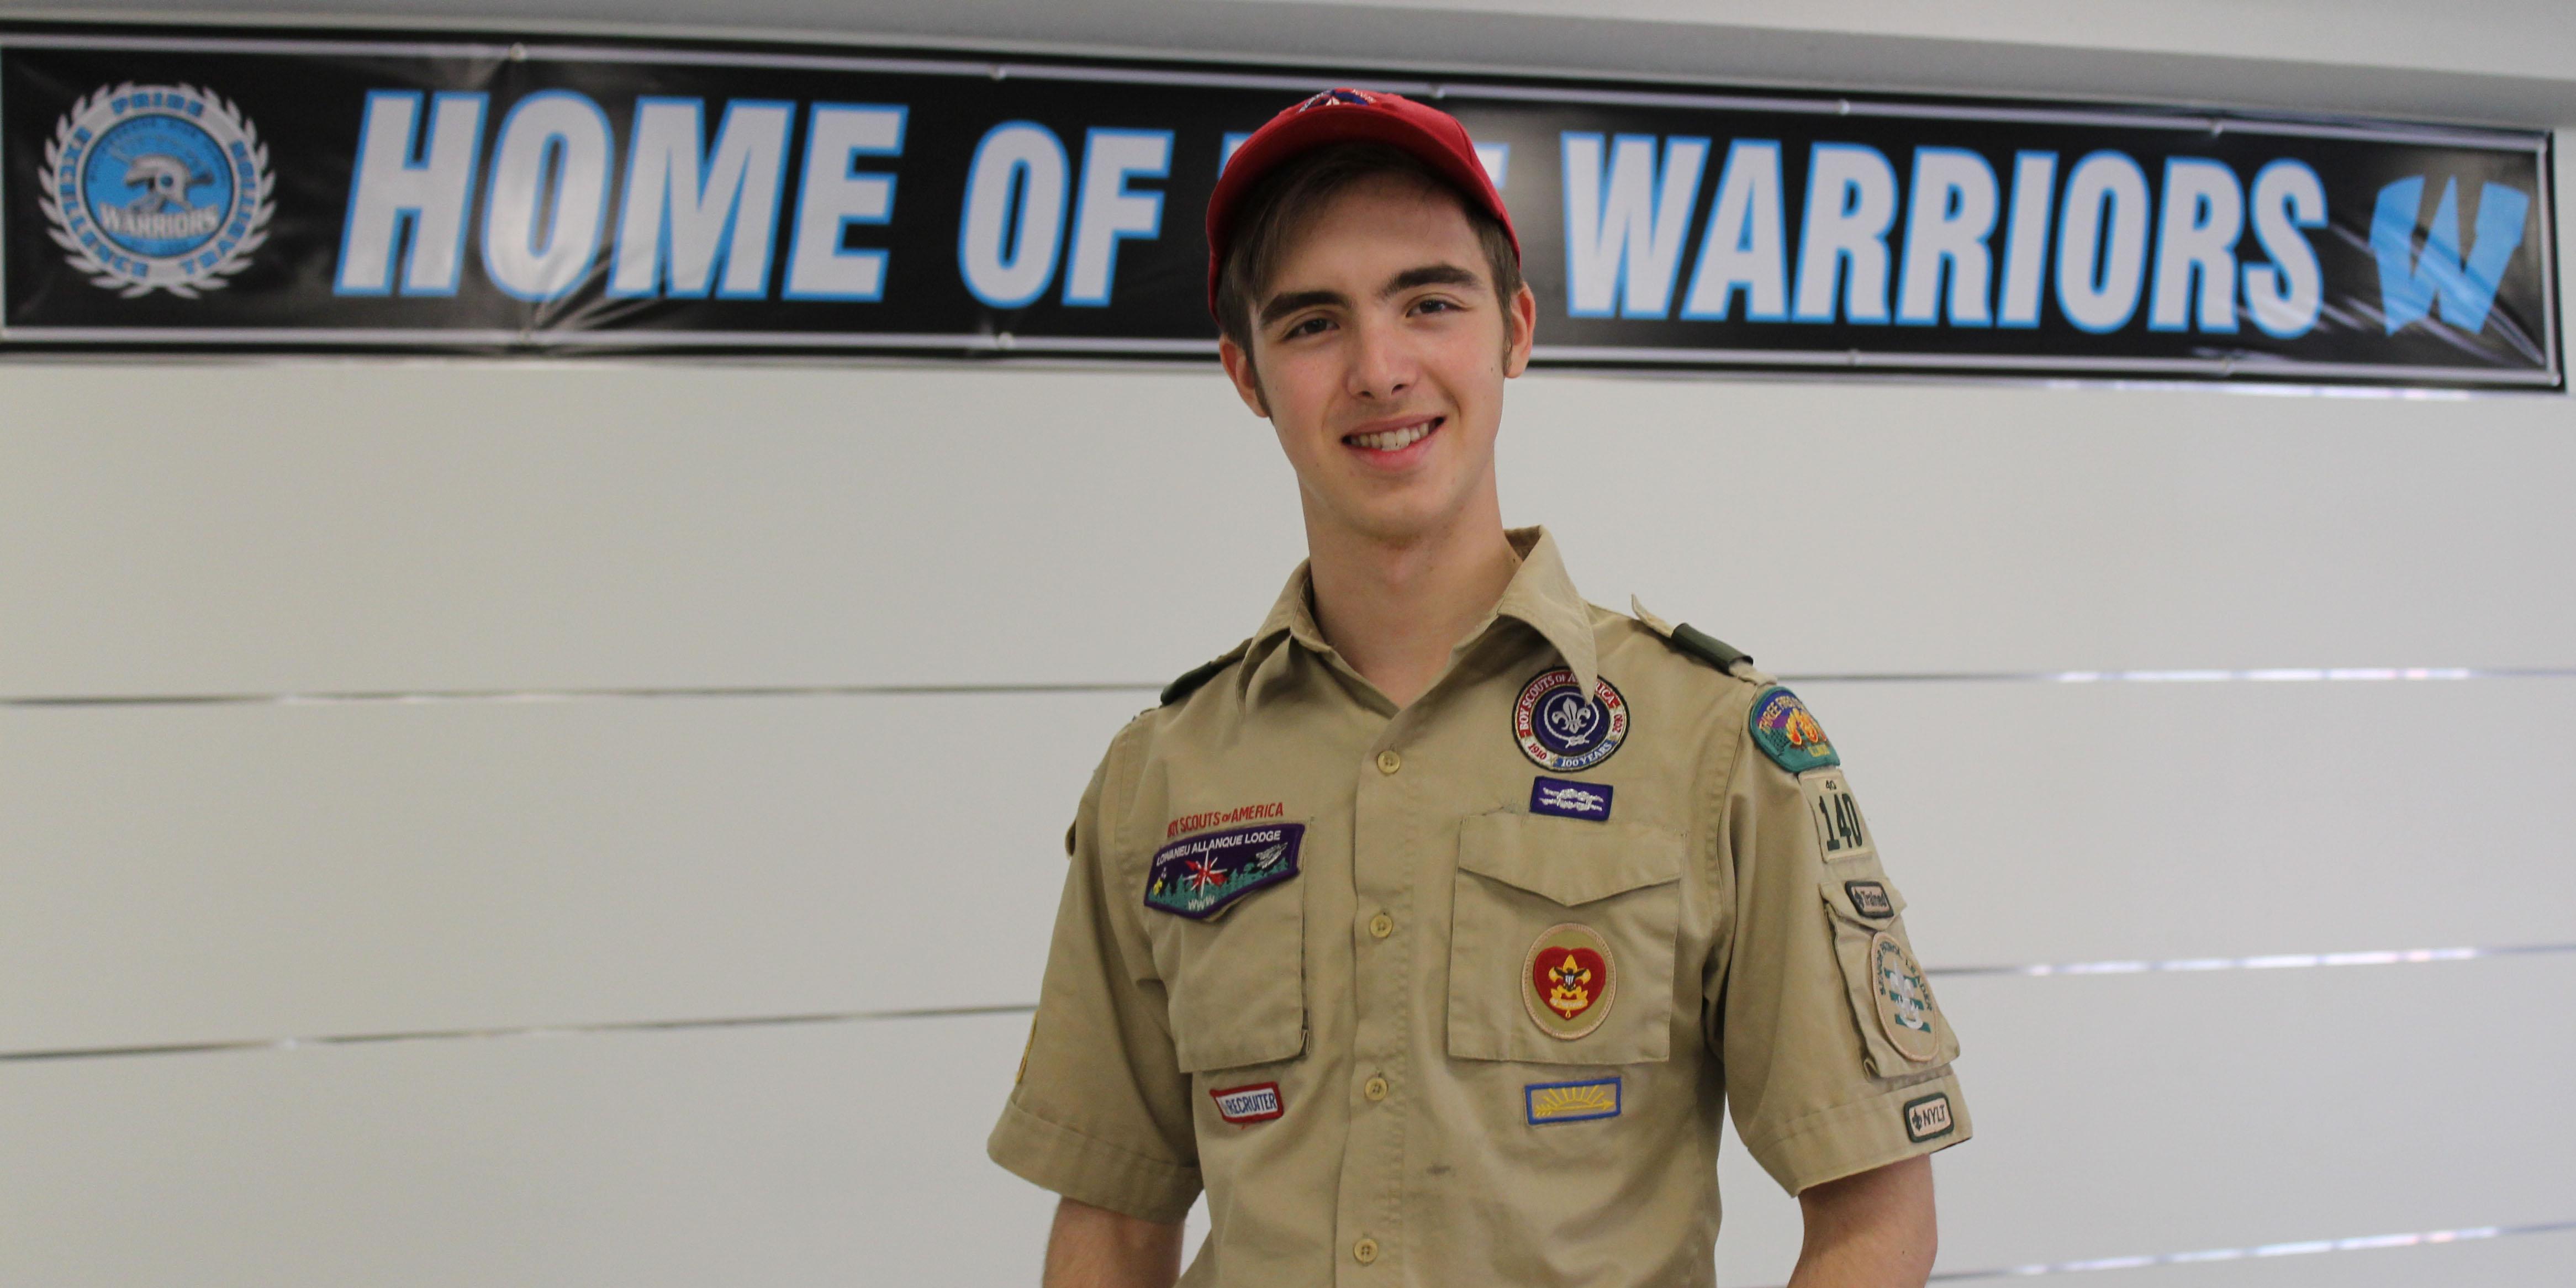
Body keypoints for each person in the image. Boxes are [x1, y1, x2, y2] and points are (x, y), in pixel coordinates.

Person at [988, 87, 1969, 1288]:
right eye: (1313, 324)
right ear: (1245, 374)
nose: (1379, 369)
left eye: (1429, 303)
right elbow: (1110, 1224)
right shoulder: (1163, 774)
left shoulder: (1715, 743)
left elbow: (1875, 1217)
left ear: (1514, 329)